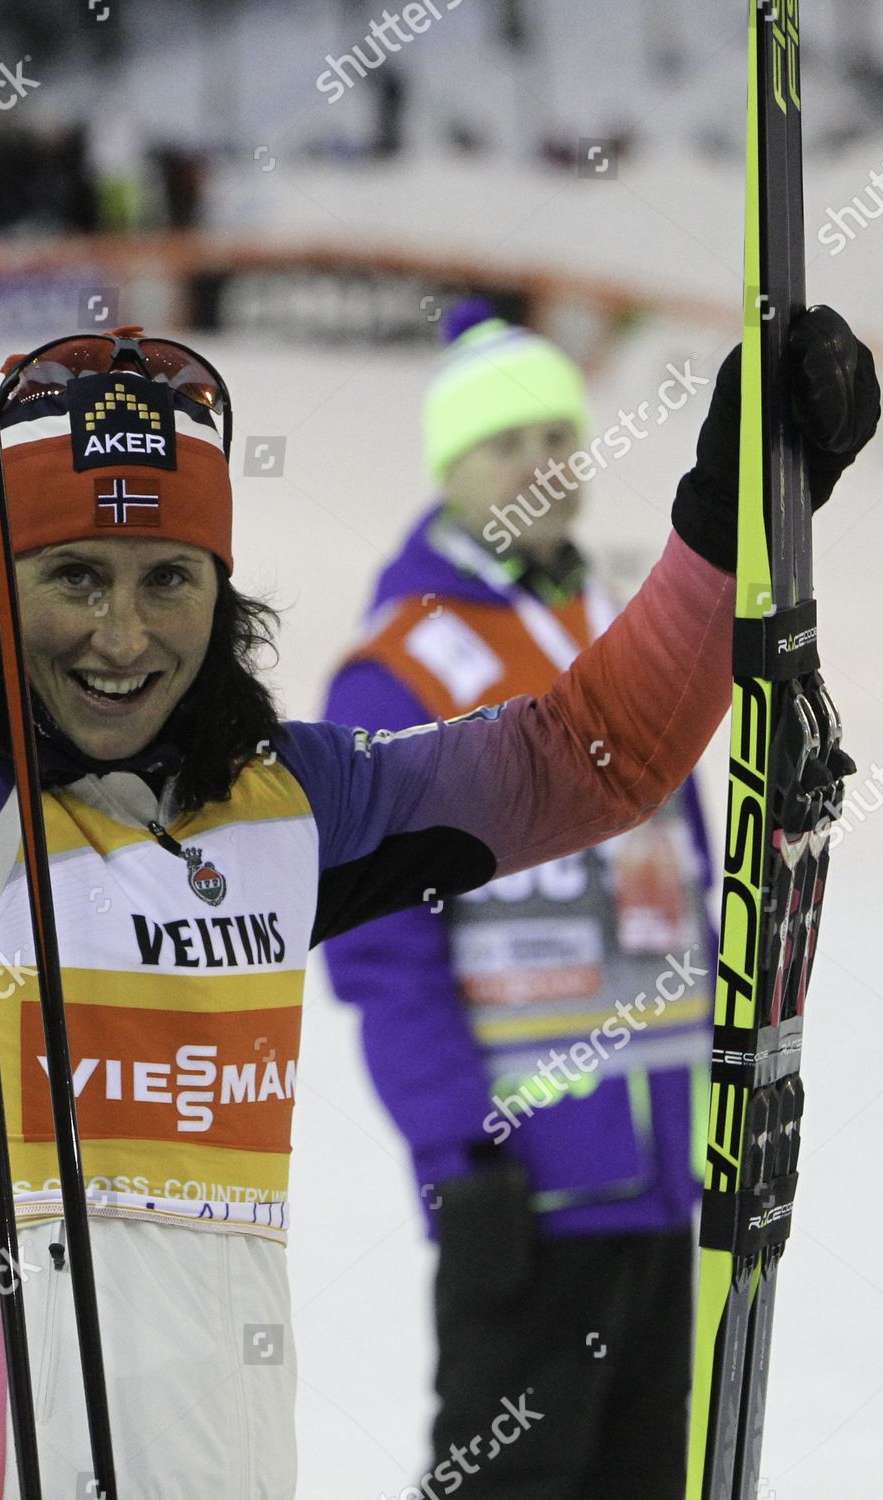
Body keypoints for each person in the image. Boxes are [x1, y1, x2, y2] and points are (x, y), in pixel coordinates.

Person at [0, 33, 879, 1500]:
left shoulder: (283, 813)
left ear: (222, 589)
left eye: (166, 579)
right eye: (72, 576)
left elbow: (598, 754)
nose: (121, 636)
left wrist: (725, 524)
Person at [321, 302, 717, 1499]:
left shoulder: (615, 622)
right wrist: (459, 1151)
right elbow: (382, 953)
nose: (544, 463)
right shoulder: (401, 666)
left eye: (560, 434)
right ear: (455, 466)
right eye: (509, 443)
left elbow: (689, 860)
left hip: (662, 1170)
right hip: (529, 1183)